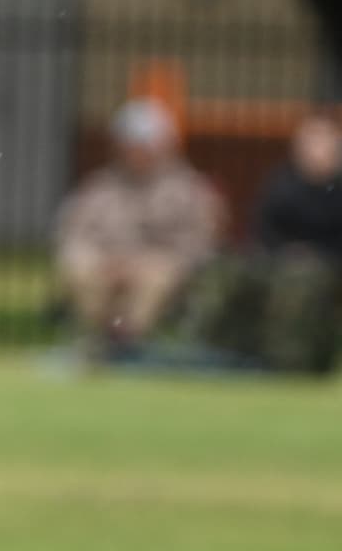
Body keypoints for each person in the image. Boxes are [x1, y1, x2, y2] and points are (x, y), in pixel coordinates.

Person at [177, 111, 342, 374]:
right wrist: (283, 253)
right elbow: (263, 228)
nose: (315, 150)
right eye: (310, 142)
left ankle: (286, 362)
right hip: (276, 259)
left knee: (299, 279)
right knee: (225, 271)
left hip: (324, 267)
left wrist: (313, 255)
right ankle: (210, 349)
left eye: (323, 143)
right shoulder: (281, 183)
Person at [53, 97, 224, 357]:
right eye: (129, 144)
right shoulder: (99, 187)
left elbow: (199, 241)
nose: (136, 152)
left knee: (156, 276)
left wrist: (142, 263)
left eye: (143, 144)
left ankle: (128, 339)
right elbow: (73, 231)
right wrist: (109, 261)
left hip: (159, 263)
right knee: (79, 262)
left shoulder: (189, 190)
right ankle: (98, 335)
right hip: (107, 262)